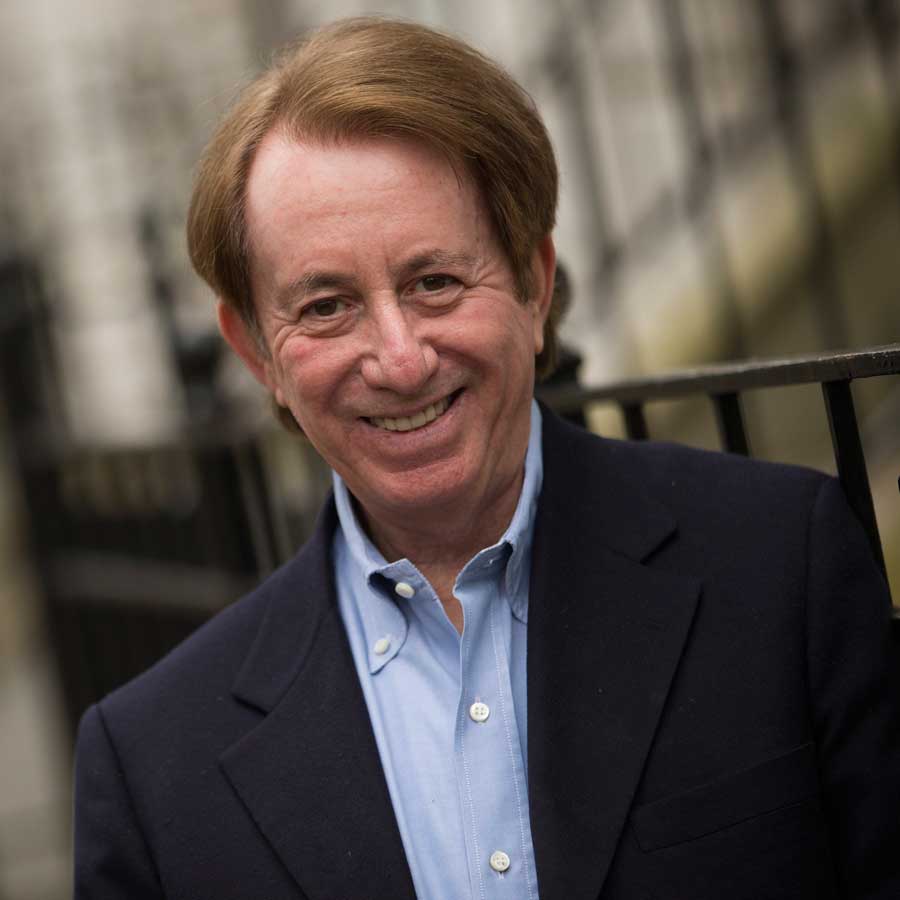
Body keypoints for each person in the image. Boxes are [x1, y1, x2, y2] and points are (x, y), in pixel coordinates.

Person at [73, 17, 900, 900]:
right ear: (256, 355)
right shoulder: (151, 764)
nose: (398, 359)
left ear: (534, 284)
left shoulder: (784, 566)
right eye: (325, 306)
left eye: (434, 282)